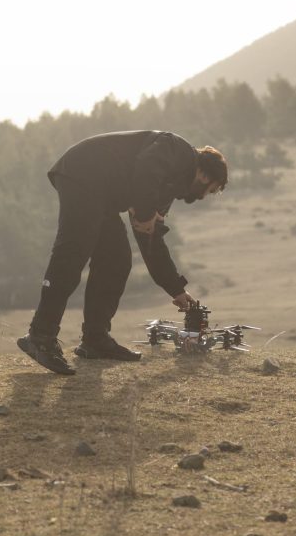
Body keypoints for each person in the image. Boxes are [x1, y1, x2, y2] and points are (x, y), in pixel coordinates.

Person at [17, 130, 228, 374]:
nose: (203, 197)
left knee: (116, 259)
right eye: (210, 190)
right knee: (72, 253)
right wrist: (146, 213)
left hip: (101, 192)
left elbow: (151, 243)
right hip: (83, 173)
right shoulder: (177, 150)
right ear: (203, 174)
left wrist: (176, 289)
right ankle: (40, 335)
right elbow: (146, 168)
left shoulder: (165, 190)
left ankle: (95, 340)